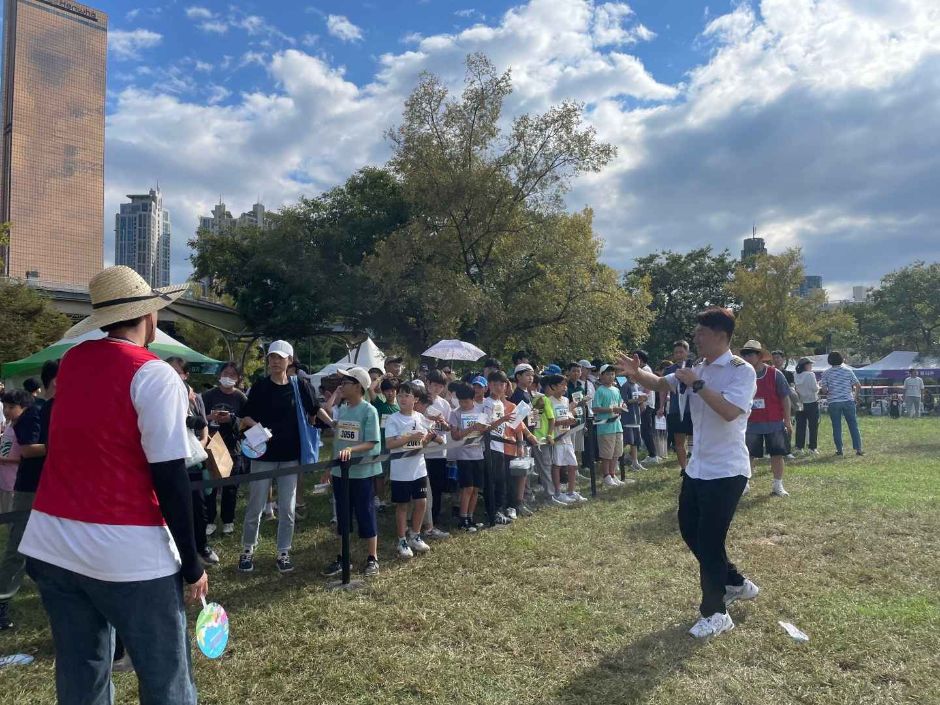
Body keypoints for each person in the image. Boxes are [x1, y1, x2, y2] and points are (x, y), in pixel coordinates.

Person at [18, 265, 205, 703]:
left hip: (52, 542)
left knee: (81, 674)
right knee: (165, 675)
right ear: (150, 317)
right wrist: (192, 561)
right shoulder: (154, 373)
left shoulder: (73, 361)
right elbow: (170, 475)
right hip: (128, 549)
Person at [618, 306, 759, 639]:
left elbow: (728, 412)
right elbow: (660, 384)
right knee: (689, 530)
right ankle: (734, 581)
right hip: (698, 467)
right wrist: (637, 374)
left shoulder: (741, 370)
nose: (695, 338)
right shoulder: (694, 367)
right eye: (695, 333)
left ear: (722, 336)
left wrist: (697, 386)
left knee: (710, 541)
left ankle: (715, 612)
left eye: (702, 333)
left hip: (727, 470)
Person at [238, 340, 326, 574]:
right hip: (262, 454)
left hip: (290, 456)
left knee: (287, 508)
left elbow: (315, 409)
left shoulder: (300, 386)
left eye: (280, 357)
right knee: (255, 505)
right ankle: (247, 550)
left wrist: (335, 424)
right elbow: (244, 418)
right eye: (271, 357)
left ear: (289, 361)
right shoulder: (259, 387)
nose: (275, 362)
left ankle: (283, 552)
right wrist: (259, 427)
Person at [0, 361, 57, 631]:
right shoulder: (35, 413)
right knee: (18, 546)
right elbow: (26, 450)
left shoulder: (58, 410)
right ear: (55, 382)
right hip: (30, 488)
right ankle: (2, 601)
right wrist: (62, 444)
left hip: (56, 486)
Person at [322, 367, 383, 578]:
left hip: (362, 473)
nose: (341, 386)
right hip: (341, 473)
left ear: (358, 386)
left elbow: (372, 442)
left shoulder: (369, 411)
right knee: (342, 515)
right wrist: (331, 466)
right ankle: (342, 558)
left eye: (346, 383)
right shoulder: (344, 409)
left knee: (366, 513)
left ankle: (372, 557)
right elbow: (338, 442)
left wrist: (351, 450)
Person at [167, 357, 219, 566]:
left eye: (177, 371)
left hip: (194, 459)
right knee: (174, 507)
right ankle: (178, 551)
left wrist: (203, 439)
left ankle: (202, 546)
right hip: (171, 458)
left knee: (199, 505)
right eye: (168, 371)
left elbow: (202, 422)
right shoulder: (162, 395)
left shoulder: (195, 397)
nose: (173, 375)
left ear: (186, 375)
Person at [385, 383, 439, 558]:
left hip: (419, 469)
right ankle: (401, 540)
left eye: (406, 395)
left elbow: (425, 442)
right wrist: (410, 437)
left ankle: (415, 535)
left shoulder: (420, 417)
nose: (402, 398)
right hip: (400, 471)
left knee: (421, 502)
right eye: (400, 395)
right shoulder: (393, 419)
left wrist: (430, 437)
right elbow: (390, 443)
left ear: (415, 399)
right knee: (402, 505)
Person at [738, 341, 792, 497]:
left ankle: (778, 485)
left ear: (759, 356)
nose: (747, 357)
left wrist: (787, 420)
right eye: (745, 354)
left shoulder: (775, 374)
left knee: (777, 454)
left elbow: (785, 398)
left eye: (750, 354)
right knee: (748, 454)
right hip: (750, 423)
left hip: (774, 422)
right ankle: (744, 484)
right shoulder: (740, 375)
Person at [202, 362, 248, 535]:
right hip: (212, 444)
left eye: (233, 374)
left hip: (232, 446)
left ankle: (228, 520)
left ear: (238, 379)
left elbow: (246, 421)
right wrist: (210, 417)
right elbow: (199, 418)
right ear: (219, 375)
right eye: (225, 373)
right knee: (211, 486)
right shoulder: (208, 396)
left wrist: (232, 419)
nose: (228, 377)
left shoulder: (241, 398)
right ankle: (210, 520)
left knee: (230, 487)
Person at [449, 383, 489, 532]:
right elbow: (455, 435)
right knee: (467, 487)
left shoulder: (481, 410)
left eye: (466, 401)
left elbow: (486, 429)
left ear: (473, 399)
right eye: (460, 401)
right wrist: (472, 428)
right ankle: (463, 518)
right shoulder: (455, 413)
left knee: (476, 488)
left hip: (478, 453)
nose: (463, 404)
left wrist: (483, 428)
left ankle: (471, 517)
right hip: (463, 455)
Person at [421, 369, 455, 536]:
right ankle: (421, 521)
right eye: (434, 385)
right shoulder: (420, 401)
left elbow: (447, 427)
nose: (436, 389)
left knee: (437, 487)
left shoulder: (444, 404)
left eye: (440, 386)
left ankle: (434, 519)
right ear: (428, 383)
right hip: (423, 450)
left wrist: (442, 423)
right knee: (422, 488)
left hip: (439, 451)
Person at [546, 375, 585, 504]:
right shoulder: (549, 401)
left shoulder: (565, 400)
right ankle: (557, 492)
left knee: (573, 465)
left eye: (565, 385)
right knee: (557, 465)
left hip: (567, 437)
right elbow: (549, 421)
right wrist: (561, 422)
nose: (564, 388)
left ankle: (571, 491)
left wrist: (571, 419)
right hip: (556, 439)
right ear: (553, 386)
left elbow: (567, 415)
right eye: (561, 385)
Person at [820, 351, 863, 456]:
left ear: (829, 361)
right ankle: (858, 449)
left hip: (834, 402)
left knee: (836, 426)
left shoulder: (826, 373)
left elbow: (825, 390)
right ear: (841, 359)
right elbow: (858, 385)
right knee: (853, 425)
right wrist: (854, 397)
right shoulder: (848, 371)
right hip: (848, 400)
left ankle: (839, 450)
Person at [659, 341, 694, 472]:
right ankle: (684, 468)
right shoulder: (669, 370)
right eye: (676, 352)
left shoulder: (695, 366)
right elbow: (662, 389)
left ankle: (695, 466)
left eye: (681, 352)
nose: (678, 355)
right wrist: (661, 406)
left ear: (687, 352)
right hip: (676, 410)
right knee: (679, 442)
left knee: (697, 439)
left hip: (693, 409)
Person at [592, 364, 624, 487]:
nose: (611, 376)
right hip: (605, 427)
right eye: (608, 374)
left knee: (617, 452)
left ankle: (613, 473)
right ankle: (606, 475)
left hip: (617, 425)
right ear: (601, 376)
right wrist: (611, 409)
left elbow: (621, 402)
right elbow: (595, 408)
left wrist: (623, 406)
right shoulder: (600, 390)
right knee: (607, 453)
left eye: (612, 374)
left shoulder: (616, 390)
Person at [0, 390, 32, 513]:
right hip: (3, 480)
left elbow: (25, 455)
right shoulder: (9, 425)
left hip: (13, 483)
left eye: (11, 407)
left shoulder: (24, 429)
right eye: (5, 407)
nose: (6, 411)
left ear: (24, 408)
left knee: (11, 516)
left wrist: (3, 460)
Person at [633, 350, 663, 464]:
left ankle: (653, 455)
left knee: (646, 430)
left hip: (646, 403)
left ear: (641, 359)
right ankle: (653, 453)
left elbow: (647, 387)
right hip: (646, 402)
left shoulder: (645, 369)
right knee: (646, 429)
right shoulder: (645, 369)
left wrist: (642, 402)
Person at [618, 372, 644, 477]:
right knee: (625, 441)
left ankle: (635, 462)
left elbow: (636, 400)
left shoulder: (636, 386)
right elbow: (623, 401)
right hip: (628, 418)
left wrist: (641, 401)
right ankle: (617, 461)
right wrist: (636, 400)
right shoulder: (625, 386)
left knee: (635, 442)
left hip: (636, 417)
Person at [793, 358, 820, 456]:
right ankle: (812, 448)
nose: (811, 366)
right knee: (813, 426)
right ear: (806, 365)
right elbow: (814, 388)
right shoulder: (810, 374)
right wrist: (819, 386)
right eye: (810, 364)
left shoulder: (796, 375)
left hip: (800, 402)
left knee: (800, 426)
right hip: (811, 402)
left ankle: (799, 447)